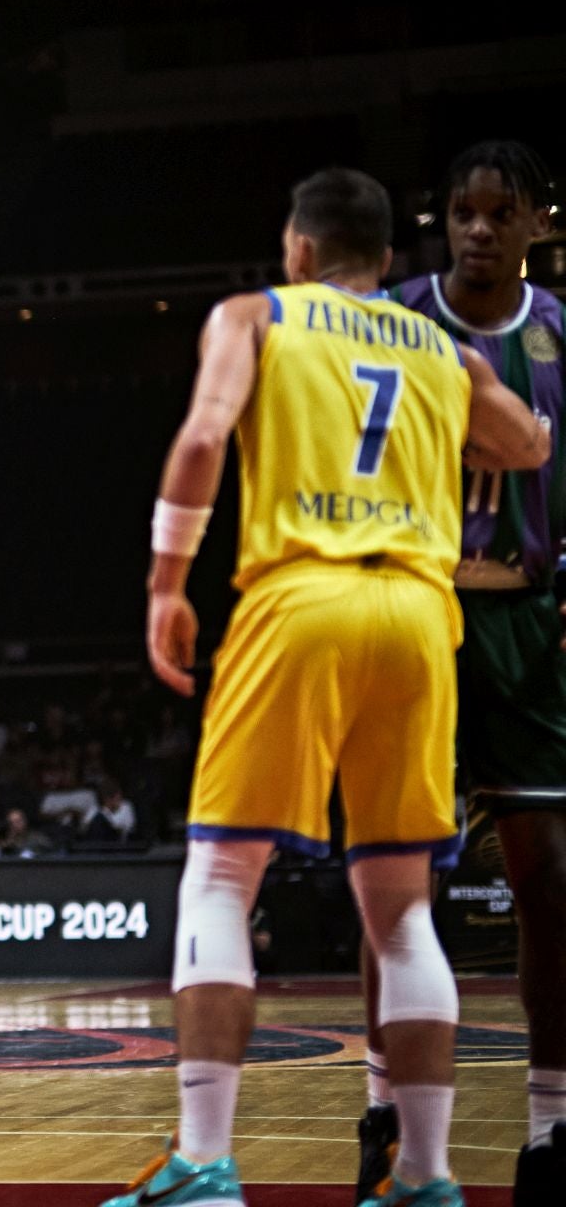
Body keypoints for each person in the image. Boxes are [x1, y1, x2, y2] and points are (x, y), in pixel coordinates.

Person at [103, 168, 550, 1207]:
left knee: (220, 876)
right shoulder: (442, 347)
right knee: (400, 911)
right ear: (387, 262)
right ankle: (429, 1173)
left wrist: (169, 584)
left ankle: (205, 1159)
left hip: (299, 596)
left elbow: (206, 434)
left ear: (299, 249)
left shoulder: (255, 314)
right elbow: (528, 441)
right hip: (417, 614)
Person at [359, 140, 566, 1206]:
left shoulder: (563, 335)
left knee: (549, 883)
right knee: (399, 888)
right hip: (414, 614)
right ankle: (382, 1111)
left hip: (529, 620)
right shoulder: (388, 321)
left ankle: (550, 1127)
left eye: (501, 210)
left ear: (536, 221)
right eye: (461, 210)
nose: (478, 227)